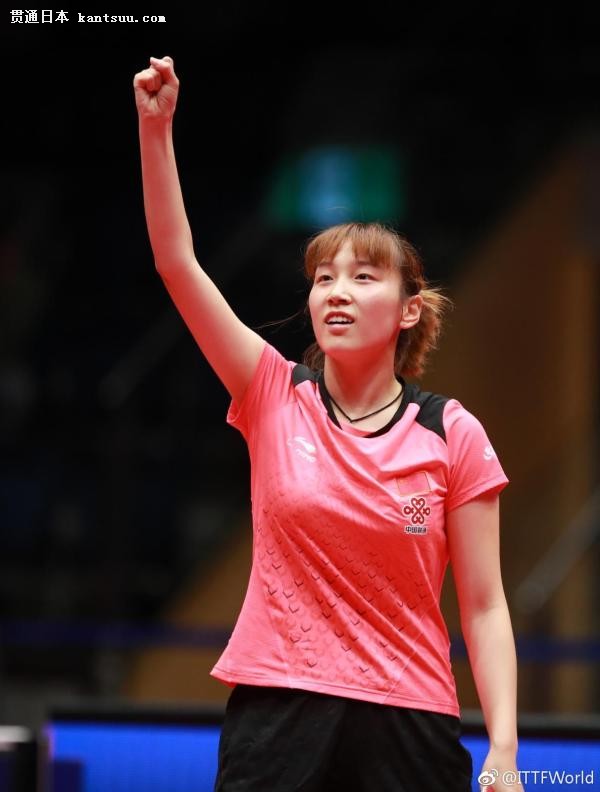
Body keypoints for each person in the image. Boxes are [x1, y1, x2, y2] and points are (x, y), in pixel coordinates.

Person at [133, 55, 523, 792]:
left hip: (409, 722)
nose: (336, 292)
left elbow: (483, 604)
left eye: (363, 277)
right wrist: (157, 130)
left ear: (408, 310)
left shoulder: (452, 433)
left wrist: (503, 749)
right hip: (279, 711)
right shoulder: (274, 393)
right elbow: (177, 263)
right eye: (323, 278)